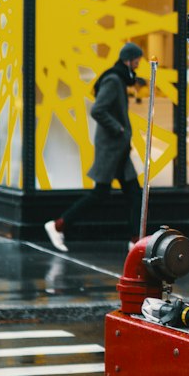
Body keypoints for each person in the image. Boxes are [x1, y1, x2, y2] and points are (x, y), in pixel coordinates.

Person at [45, 43, 144, 252]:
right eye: (136, 61)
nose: (138, 65)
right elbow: (98, 109)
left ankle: (135, 240)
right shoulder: (114, 80)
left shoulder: (119, 78)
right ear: (128, 60)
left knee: (134, 193)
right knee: (101, 193)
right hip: (112, 148)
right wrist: (118, 129)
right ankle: (57, 226)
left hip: (118, 149)